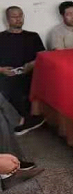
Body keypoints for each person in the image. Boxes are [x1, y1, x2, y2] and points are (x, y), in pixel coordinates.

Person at [0, 7, 46, 135]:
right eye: (14, 16)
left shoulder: (33, 36)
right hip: (5, 74)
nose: (18, 19)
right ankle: (22, 121)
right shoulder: (1, 37)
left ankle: (22, 121)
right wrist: (1, 69)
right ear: (7, 19)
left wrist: (31, 65)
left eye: (20, 15)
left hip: (29, 73)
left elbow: (43, 57)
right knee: (7, 87)